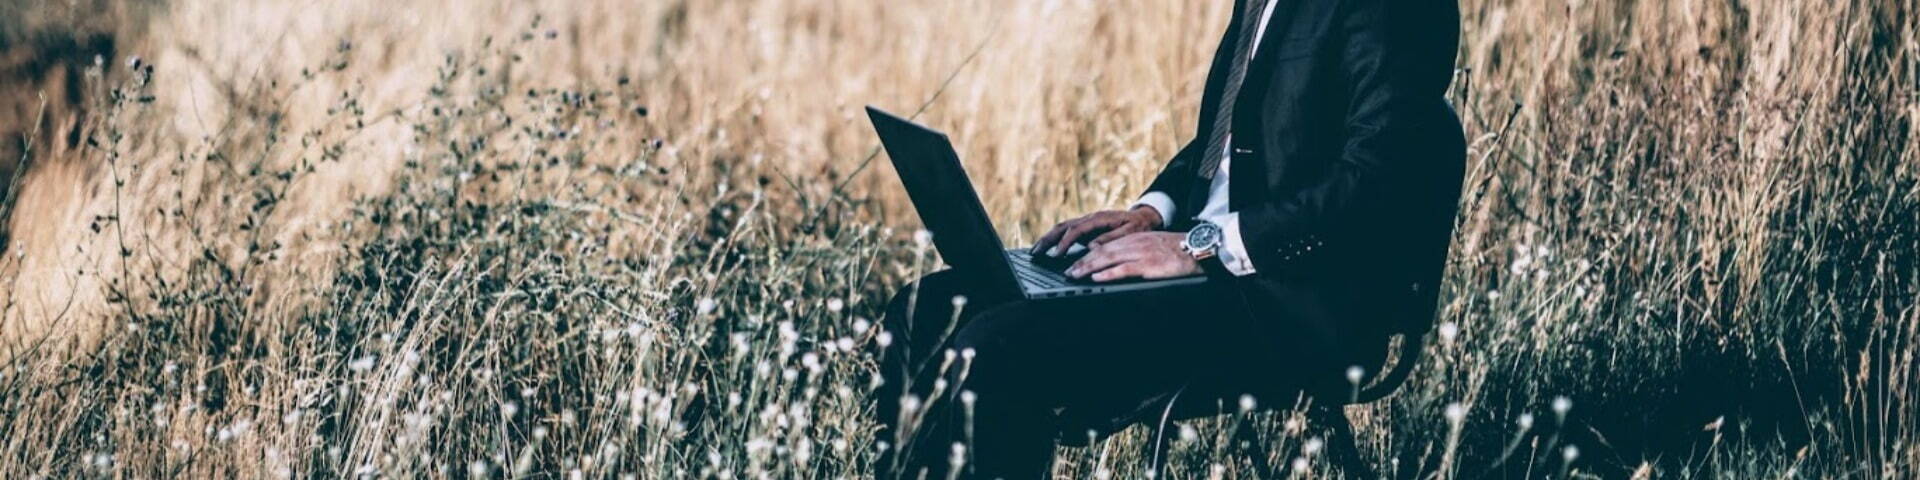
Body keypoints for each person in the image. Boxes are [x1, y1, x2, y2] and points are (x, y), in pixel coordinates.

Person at [874, 0, 1466, 477]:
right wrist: (1154, 214)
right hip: (1216, 274)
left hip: (1293, 302)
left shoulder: (1400, 8)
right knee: (925, 309)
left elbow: (1375, 183)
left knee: (995, 348)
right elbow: (1234, 144)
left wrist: (1197, 247)